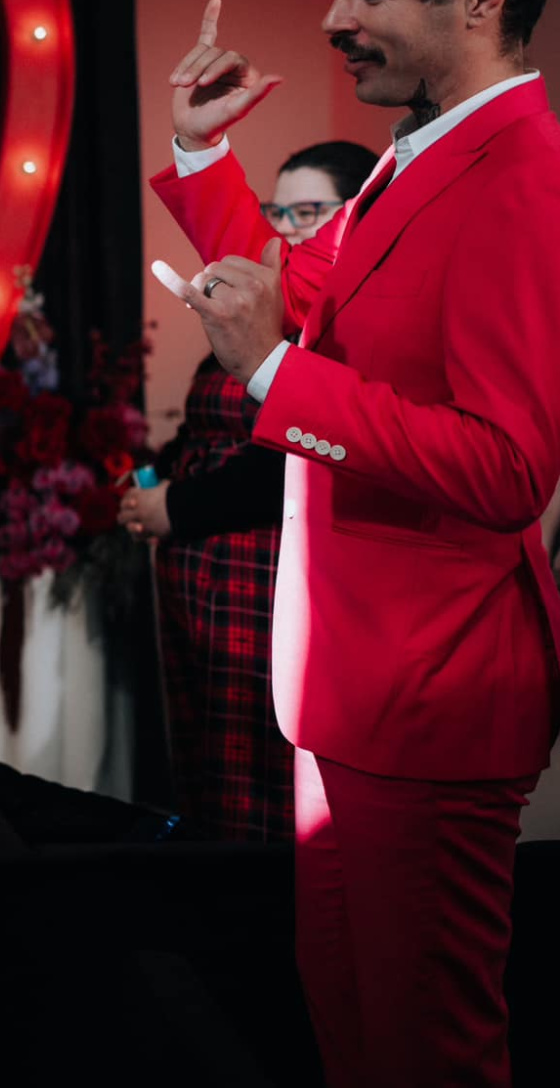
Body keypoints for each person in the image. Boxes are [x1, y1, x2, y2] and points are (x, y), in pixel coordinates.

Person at [148, 0, 560, 1087]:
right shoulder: (419, 149)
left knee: (425, 1049)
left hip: (430, 699)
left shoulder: (520, 179)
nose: (333, 19)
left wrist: (276, 379)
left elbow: (504, 469)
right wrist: (201, 153)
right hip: (349, 691)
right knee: (349, 1031)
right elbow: (294, 296)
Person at [121, 141, 376, 842]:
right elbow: (208, 420)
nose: (287, 230)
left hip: (264, 585)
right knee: (203, 771)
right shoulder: (260, 311)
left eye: (310, 213)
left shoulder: (343, 327)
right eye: (278, 211)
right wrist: (152, 475)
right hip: (203, 583)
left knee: (260, 788)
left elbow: (289, 462)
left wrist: (173, 506)